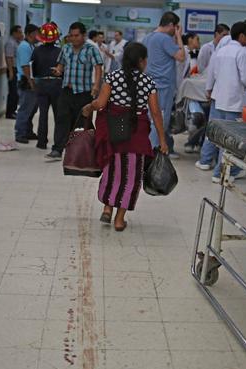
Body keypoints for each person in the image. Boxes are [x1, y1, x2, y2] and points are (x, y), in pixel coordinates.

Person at [82, 42, 168, 231]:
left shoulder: (112, 77)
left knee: (112, 170)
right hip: (136, 134)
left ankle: (107, 209)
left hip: (115, 131)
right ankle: (119, 220)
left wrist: (90, 106)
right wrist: (162, 139)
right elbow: (155, 113)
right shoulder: (148, 82)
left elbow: (102, 103)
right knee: (131, 176)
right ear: (141, 61)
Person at [198, 21, 246, 183]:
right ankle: (220, 173)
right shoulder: (241, 52)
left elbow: (212, 73)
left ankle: (206, 161)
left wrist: (209, 89)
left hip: (218, 99)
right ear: (241, 36)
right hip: (233, 102)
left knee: (215, 135)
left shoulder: (220, 51)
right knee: (230, 140)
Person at [46, 22, 103, 161]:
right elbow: (61, 65)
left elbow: (98, 68)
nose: (73, 38)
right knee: (61, 119)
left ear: (83, 35)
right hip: (67, 90)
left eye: (76, 35)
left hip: (84, 92)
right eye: (71, 35)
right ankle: (57, 149)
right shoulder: (65, 48)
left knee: (83, 122)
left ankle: (82, 150)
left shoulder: (91, 49)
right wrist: (58, 71)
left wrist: (96, 86)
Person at [142, 11, 185, 159]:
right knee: (159, 122)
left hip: (148, 84)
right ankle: (154, 154)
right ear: (172, 25)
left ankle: (150, 150)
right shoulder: (165, 38)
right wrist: (179, 37)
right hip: (163, 86)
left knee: (150, 119)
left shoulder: (148, 37)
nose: (176, 30)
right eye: (176, 27)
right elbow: (181, 57)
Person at [31, 22, 62, 150]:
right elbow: (63, 68)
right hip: (57, 84)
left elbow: (34, 68)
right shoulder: (60, 51)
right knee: (58, 115)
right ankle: (58, 143)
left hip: (42, 84)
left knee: (43, 114)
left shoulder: (37, 50)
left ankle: (41, 142)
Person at [14, 24, 39, 144]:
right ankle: (20, 133)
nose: (37, 36)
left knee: (32, 108)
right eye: (36, 34)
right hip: (26, 81)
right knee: (25, 108)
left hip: (31, 80)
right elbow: (25, 66)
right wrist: (31, 82)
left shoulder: (31, 45)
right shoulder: (24, 47)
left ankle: (28, 131)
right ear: (29, 34)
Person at [4, 25, 23, 119]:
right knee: (12, 92)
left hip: (17, 70)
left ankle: (13, 111)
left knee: (16, 92)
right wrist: (11, 72)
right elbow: (9, 58)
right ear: (14, 33)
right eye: (19, 32)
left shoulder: (17, 43)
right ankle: (9, 112)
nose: (21, 34)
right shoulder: (10, 43)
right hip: (12, 69)